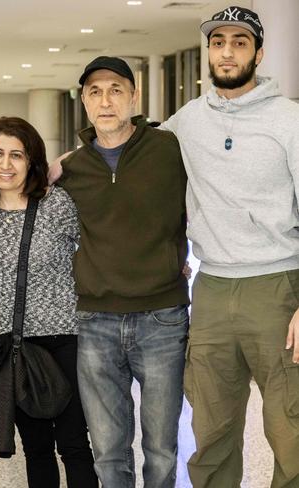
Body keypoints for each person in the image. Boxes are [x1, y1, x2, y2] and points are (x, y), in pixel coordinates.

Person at [159, 6, 299, 487]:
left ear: (258, 53)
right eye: (218, 42)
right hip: (213, 289)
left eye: (240, 42)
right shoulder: (188, 121)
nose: (227, 51)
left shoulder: (290, 121)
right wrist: (59, 163)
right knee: (211, 430)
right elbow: (136, 158)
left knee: (291, 430)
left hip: (279, 287)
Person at [50, 56, 189, 487]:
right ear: (84, 102)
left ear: (134, 96)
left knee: (162, 450)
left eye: (115, 90)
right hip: (94, 322)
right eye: (95, 91)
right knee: (108, 452)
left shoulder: (169, 149)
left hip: (162, 318)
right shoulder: (68, 169)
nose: (105, 100)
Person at [0, 116, 98, 487]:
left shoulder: (56, 203)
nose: (6, 164)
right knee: (36, 448)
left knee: (74, 444)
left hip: (65, 340)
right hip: (13, 347)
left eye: (17, 155)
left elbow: (94, 248)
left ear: (32, 161)